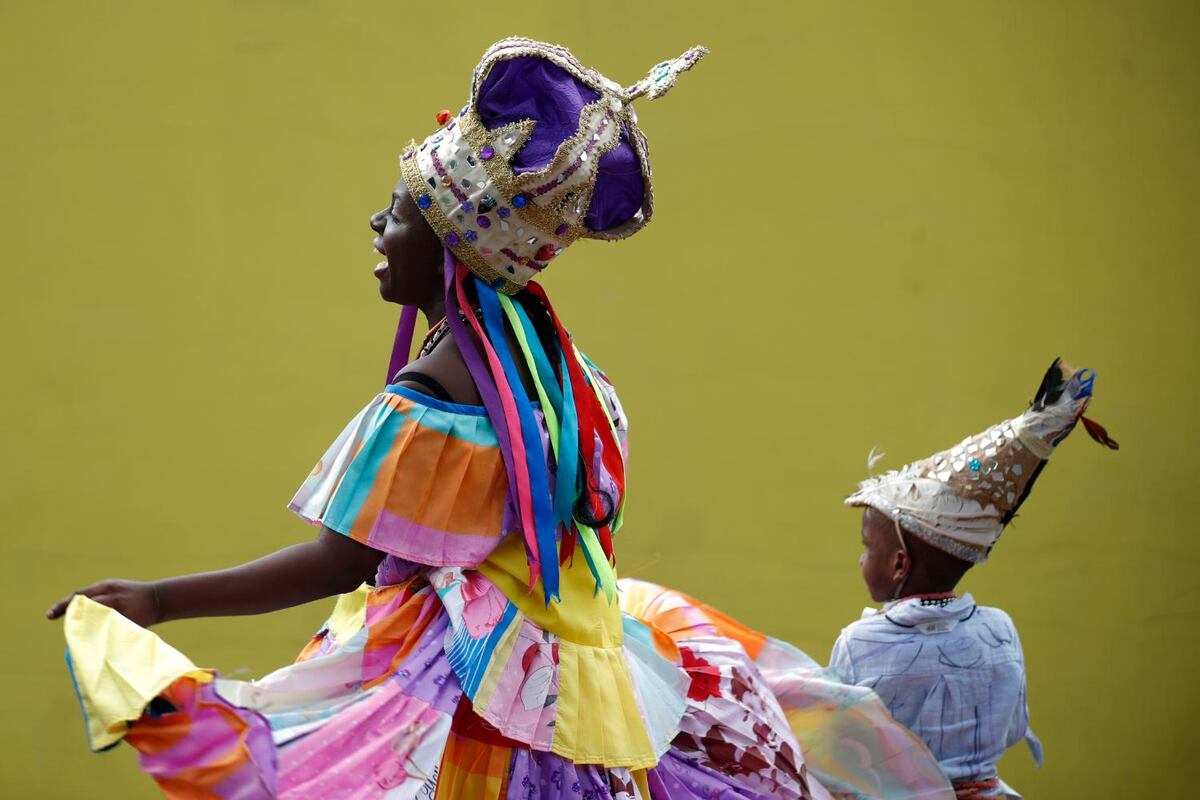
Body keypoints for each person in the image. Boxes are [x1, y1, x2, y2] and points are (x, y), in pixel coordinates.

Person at [48, 37, 955, 800]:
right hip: (586, 678)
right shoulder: (567, 376)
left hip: (476, 701)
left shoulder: (435, 393)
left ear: (449, 246)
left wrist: (160, 601)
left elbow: (344, 559)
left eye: (398, 214)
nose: (376, 225)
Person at [833, 359, 1118, 799]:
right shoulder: (1000, 629)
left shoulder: (858, 642)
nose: (861, 559)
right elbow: (1012, 727)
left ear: (898, 566)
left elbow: (841, 748)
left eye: (869, 548)